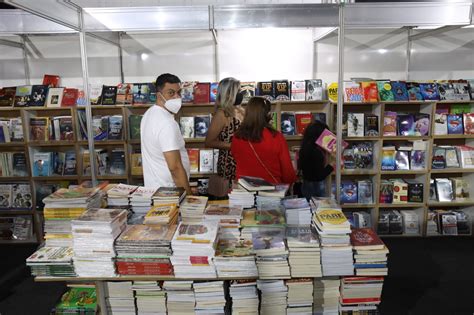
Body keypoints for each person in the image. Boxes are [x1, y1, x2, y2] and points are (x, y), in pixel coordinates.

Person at [140, 73, 192, 194]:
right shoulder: (166, 123)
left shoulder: (149, 114)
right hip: (171, 192)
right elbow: (175, 167)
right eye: (170, 93)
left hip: (155, 188)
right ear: (159, 95)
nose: (176, 97)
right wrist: (189, 196)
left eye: (178, 92)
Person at [231, 97, 296, 185]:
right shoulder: (276, 137)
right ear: (268, 114)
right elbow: (287, 172)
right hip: (271, 189)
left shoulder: (237, 136)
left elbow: (236, 158)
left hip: (244, 188)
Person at [205, 77, 245, 194]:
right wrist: (233, 146)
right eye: (238, 91)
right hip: (229, 166)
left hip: (245, 162)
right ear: (228, 94)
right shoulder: (221, 114)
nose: (240, 94)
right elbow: (209, 142)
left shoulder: (242, 110)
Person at [298, 121, 334, 200]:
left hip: (307, 185)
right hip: (315, 187)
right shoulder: (315, 152)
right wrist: (332, 165)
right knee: (319, 209)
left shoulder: (305, 148)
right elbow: (319, 176)